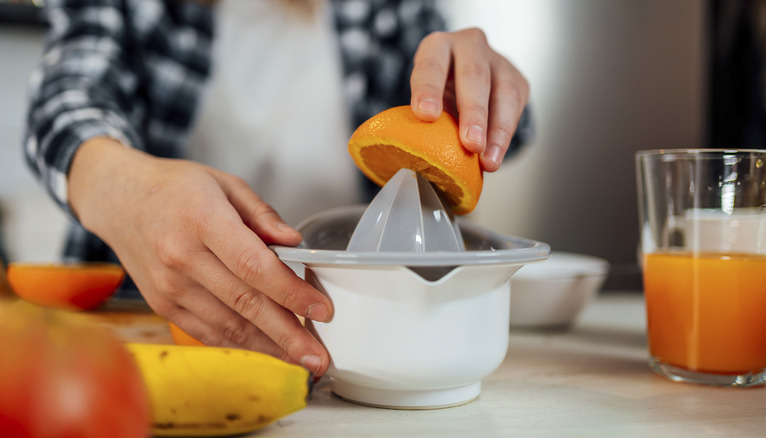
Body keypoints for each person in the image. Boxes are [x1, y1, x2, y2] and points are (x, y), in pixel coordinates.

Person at [24, 0, 532, 376]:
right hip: (151, 335)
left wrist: (479, 88)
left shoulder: (386, 10)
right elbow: (64, 103)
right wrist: (124, 190)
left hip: (363, 344)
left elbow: (511, 131)